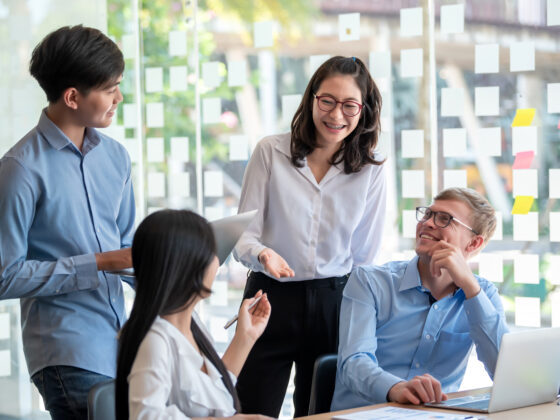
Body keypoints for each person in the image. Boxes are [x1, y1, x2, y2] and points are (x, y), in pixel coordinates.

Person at [233, 56, 387, 417]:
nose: (336, 115)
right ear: (311, 99)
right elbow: (243, 236)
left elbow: (365, 255)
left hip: (336, 302)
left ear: (363, 110)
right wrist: (263, 255)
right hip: (268, 297)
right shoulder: (271, 151)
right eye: (327, 101)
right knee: (252, 409)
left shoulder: (370, 167)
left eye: (349, 105)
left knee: (321, 412)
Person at [0, 25, 134, 419]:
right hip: (66, 354)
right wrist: (97, 263)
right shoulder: (21, 168)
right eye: (110, 89)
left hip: (120, 347)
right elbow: (4, 276)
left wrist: (176, 267)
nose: (119, 98)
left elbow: (127, 250)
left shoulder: (116, 158)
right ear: (73, 97)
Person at [331, 187, 509, 411]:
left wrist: (470, 287)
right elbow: (353, 363)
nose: (428, 223)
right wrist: (396, 388)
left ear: (473, 244)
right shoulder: (369, 282)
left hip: (438, 416)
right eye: (428, 214)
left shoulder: (483, 295)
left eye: (445, 219)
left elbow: (505, 372)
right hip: (365, 414)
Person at [116, 210, 273, 420]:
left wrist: (245, 337)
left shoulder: (193, 326)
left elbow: (215, 395)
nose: (217, 261)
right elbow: (145, 417)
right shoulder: (155, 340)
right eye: (210, 252)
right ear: (184, 266)